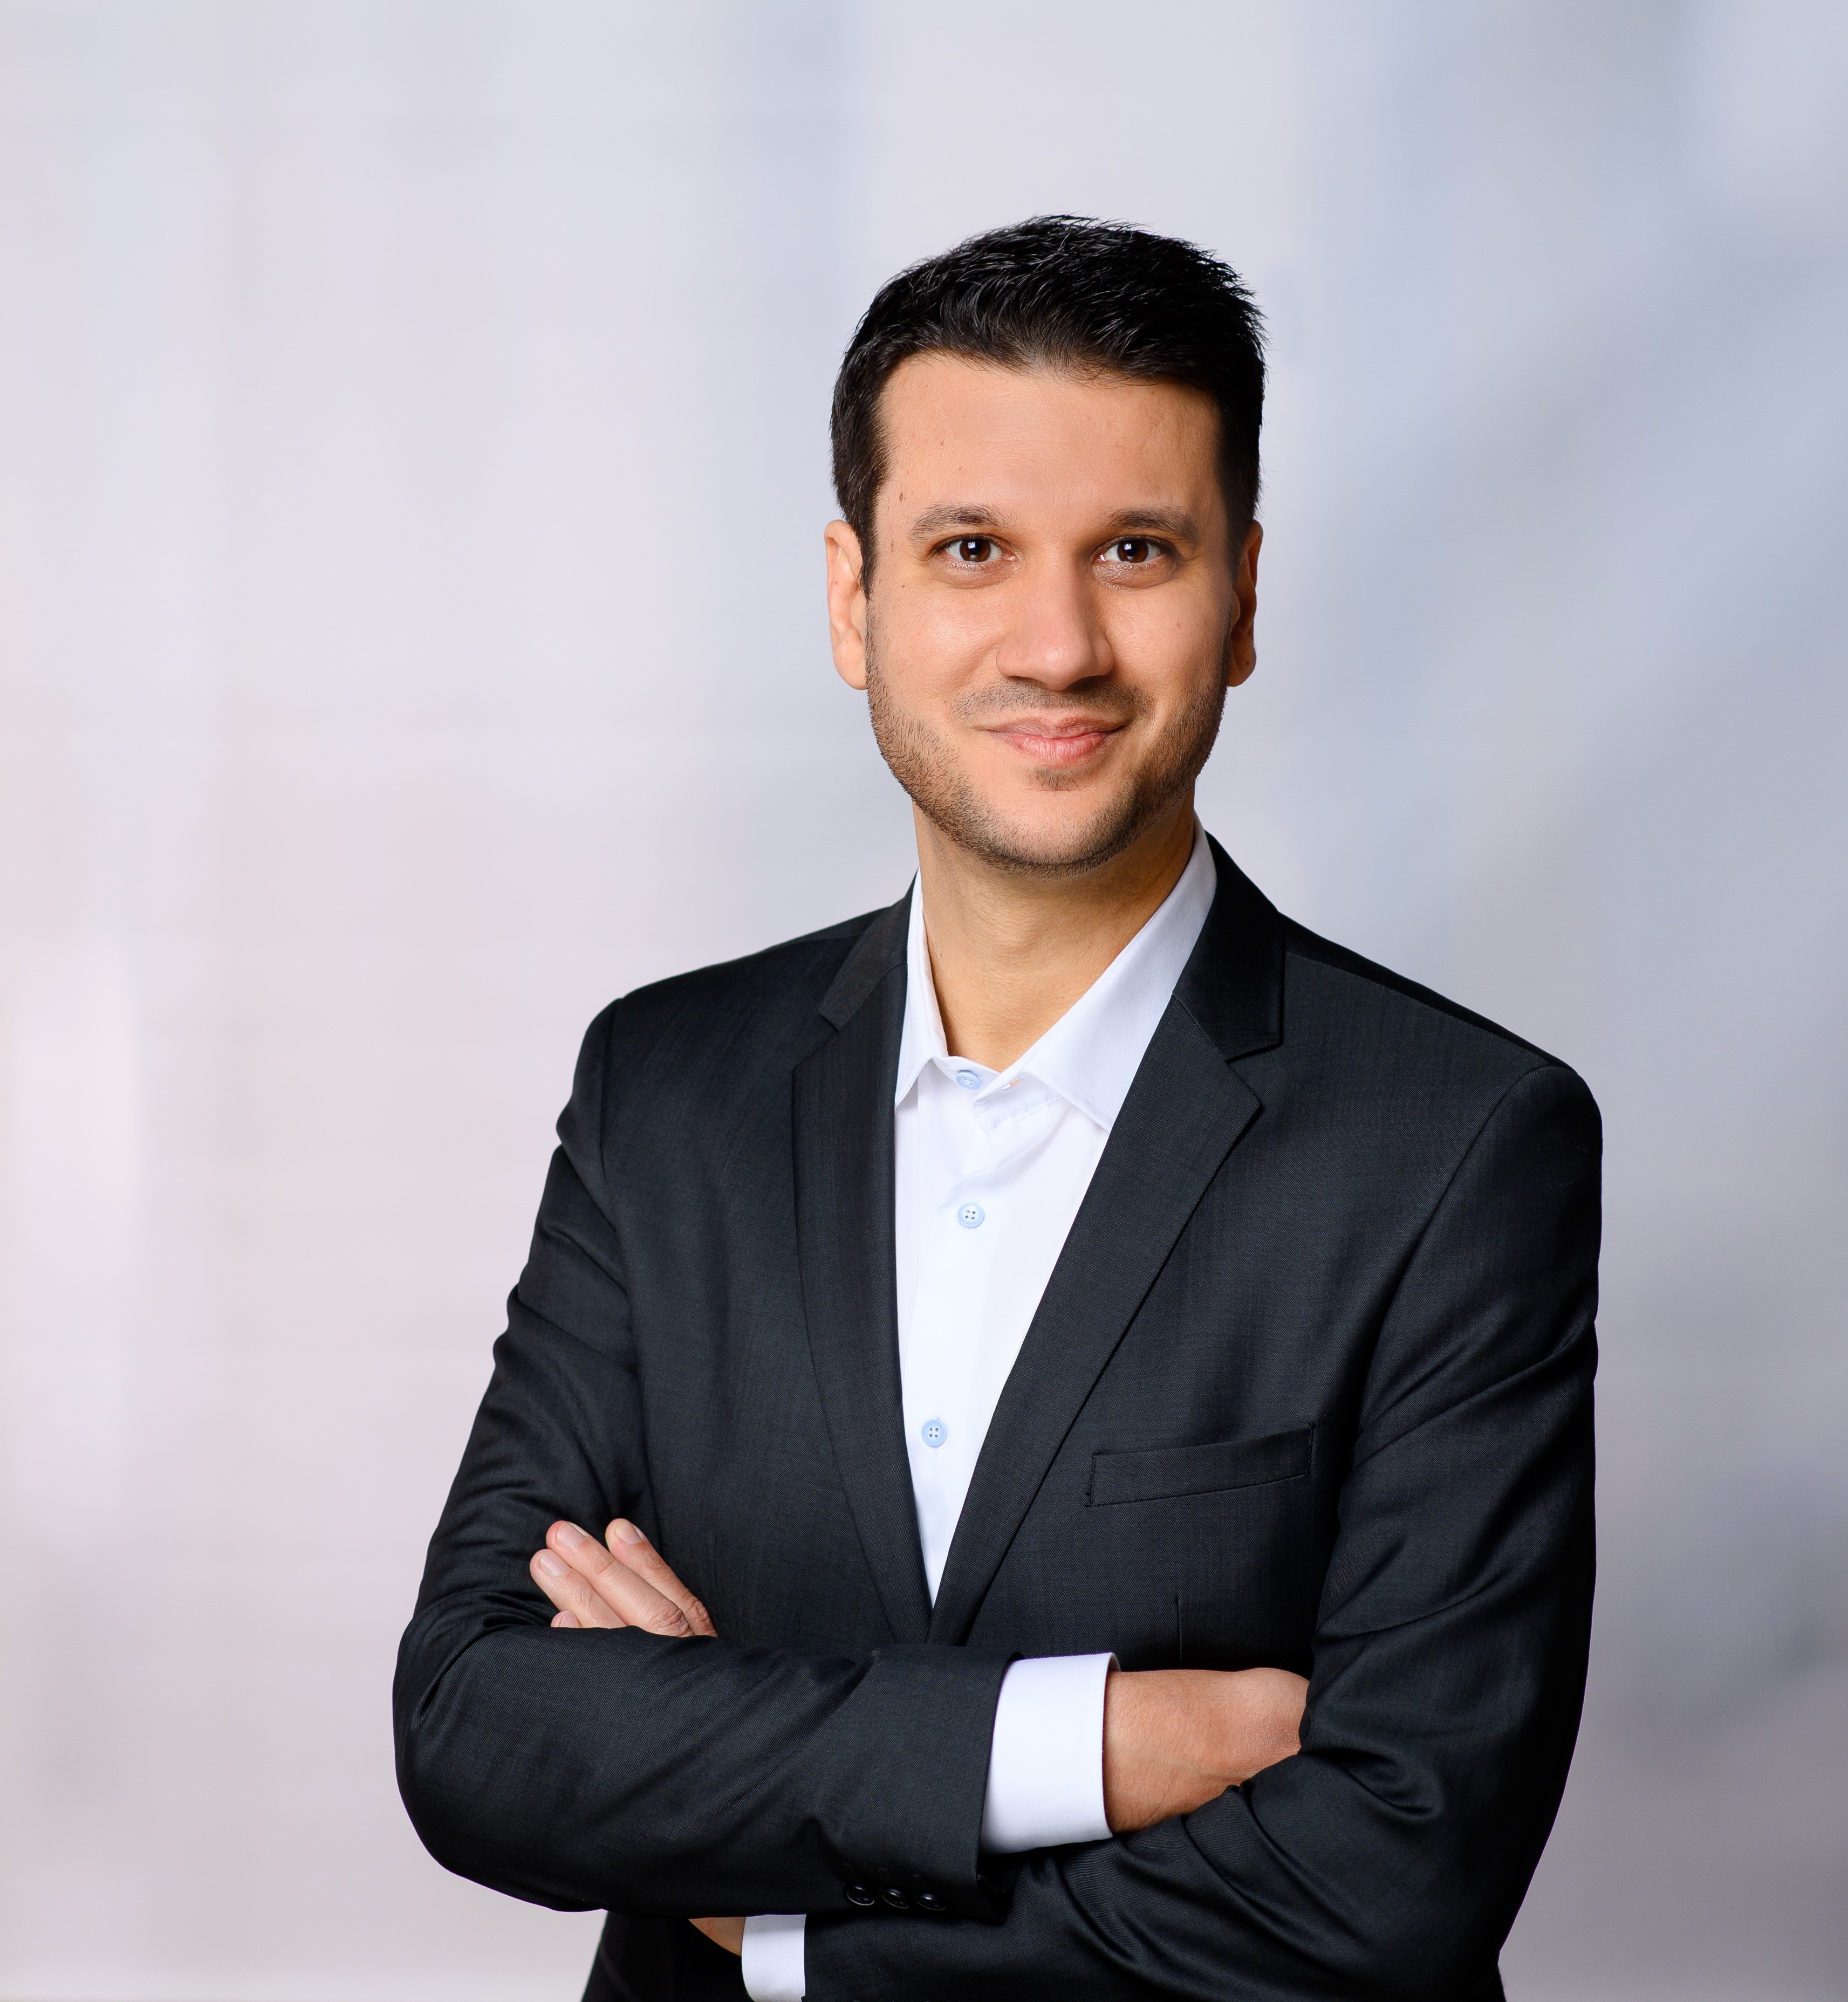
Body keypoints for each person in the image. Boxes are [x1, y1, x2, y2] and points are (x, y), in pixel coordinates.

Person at [394, 216, 1599, 2000]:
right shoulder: (668, 1091)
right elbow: (479, 1722)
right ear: (853, 599)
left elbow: (1390, 1874)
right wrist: (1087, 1745)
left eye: (1136, 551)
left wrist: (780, 1916)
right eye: (972, 550)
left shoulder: (1459, 1142)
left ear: (1243, 598)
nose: (1059, 644)